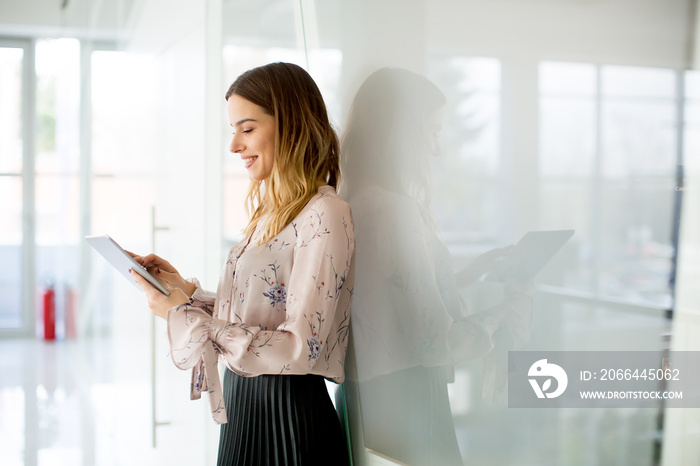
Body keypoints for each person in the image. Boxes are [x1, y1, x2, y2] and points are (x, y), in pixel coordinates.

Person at [128, 62, 355, 466]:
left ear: (291, 125)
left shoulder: (325, 213)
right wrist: (188, 294)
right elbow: (261, 317)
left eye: (247, 129)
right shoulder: (270, 212)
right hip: (243, 408)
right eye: (234, 130)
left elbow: (298, 348)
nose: (234, 145)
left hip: (289, 420)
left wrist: (187, 316)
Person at [340, 68, 532, 465]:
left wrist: (465, 273)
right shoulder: (396, 211)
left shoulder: (351, 203)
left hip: (362, 398)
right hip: (408, 403)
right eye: (433, 131)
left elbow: (383, 295)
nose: (437, 149)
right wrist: (506, 313)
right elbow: (437, 343)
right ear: (403, 133)